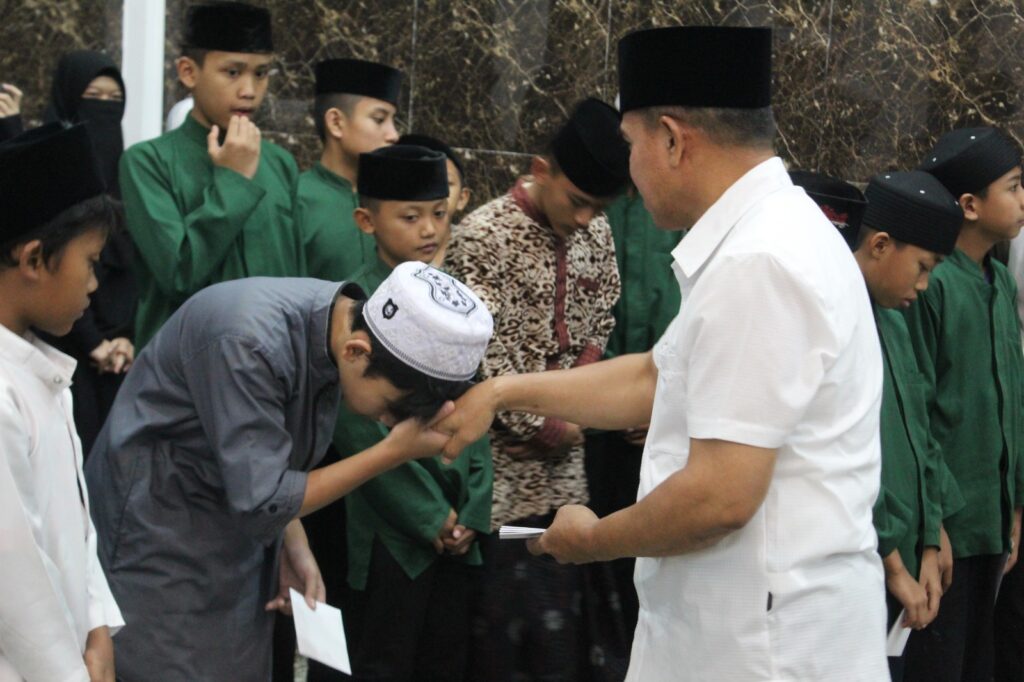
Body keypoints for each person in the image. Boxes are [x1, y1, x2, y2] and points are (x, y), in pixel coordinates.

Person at [438, 26, 891, 680]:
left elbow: (720, 498)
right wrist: (502, 391)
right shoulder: (769, 235)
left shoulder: (761, 261)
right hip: (742, 623)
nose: (629, 170)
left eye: (632, 144)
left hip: (762, 643)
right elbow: (657, 377)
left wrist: (593, 540)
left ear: (673, 140)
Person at [85, 261, 493, 681]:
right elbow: (263, 499)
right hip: (160, 543)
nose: (392, 423)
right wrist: (393, 452)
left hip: (236, 544)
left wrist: (292, 542)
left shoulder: (334, 323)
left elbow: (270, 464)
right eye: (395, 408)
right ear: (357, 352)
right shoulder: (247, 341)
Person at [444, 96, 626, 681]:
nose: (585, 218)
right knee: (500, 647)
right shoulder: (483, 235)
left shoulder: (597, 233)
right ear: (540, 170)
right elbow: (481, 357)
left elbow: (601, 318)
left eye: (598, 207)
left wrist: (575, 411)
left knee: (562, 648)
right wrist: (551, 423)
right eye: (577, 201)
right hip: (496, 482)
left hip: (567, 481)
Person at [797, 170, 965, 681]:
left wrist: (931, 535)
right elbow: (847, 457)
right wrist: (894, 565)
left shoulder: (893, 319)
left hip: (907, 561)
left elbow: (920, 431)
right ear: (880, 245)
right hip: (857, 564)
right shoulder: (831, 322)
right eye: (922, 267)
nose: (923, 285)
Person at [334, 145, 492, 681]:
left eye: (439, 213)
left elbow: (477, 406)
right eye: (410, 217)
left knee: (447, 660)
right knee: (385, 659)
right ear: (367, 221)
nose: (429, 229)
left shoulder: (453, 298)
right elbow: (357, 425)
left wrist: (472, 509)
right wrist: (429, 517)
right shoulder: (356, 305)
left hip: (458, 523)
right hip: (389, 528)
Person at [0, 123, 123, 681]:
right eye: (91, 262)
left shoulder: (38, 371)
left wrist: (96, 625)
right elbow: (15, 583)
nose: (94, 284)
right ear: (33, 259)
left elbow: (74, 527)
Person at [902, 126, 1024, 682]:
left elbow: (1009, 402)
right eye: (1013, 186)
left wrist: (1014, 505)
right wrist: (935, 525)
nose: (1022, 200)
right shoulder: (932, 285)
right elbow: (918, 410)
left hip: (993, 524)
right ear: (970, 205)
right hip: (949, 530)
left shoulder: (999, 281)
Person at [119, 1, 303, 349]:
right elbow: (178, 275)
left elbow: (296, 283)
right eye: (232, 72)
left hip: (272, 364)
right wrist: (233, 179)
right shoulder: (148, 162)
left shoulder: (280, 163)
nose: (249, 90)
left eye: (261, 73)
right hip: (182, 367)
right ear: (189, 72)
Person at [582, 185, 682, 650]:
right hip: (590, 420)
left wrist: (664, 402)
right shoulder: (595, 193)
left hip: (667, 427)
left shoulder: (687, 199)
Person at [36, 50, 138, 455]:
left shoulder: (126, 170)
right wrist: (93, 340)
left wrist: (125, 337)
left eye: (115, 101)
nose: (104, 109)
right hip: (58, 347)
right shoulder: (46, 166)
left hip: (117, 358)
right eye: (93, 97)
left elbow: (129, 264)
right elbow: (54, 260)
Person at [297, 58, 402, 282]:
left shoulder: (399, 200)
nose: (393, 134)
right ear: (336, 122)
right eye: (379, 119)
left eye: (394, 121)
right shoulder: (296, 200)